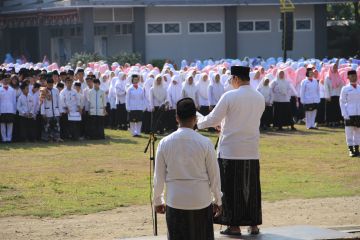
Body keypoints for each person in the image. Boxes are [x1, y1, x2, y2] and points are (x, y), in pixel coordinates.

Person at [197, 66, 265, 236]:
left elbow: (213, 118)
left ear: (235, 78)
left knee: (230, 189)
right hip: (251, 150)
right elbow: (243, 121)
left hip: (231, 150)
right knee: (251, 188)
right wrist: (224, 125)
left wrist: (196, 122)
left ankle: (234, 226)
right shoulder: (259, 97)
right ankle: (253, 224)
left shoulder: (230, 96)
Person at [153, 97, 222, 240]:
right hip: (201, 201)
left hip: (175, 201)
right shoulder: (205, 143)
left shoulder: (164, 143)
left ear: (177, 118)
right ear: (196, 119)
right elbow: (214, 175)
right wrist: (218, 200)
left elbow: (158, 177)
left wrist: (158, 200)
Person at [339, 70, 360, 157]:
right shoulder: (345, 89)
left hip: (358, 112)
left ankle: (357, 149)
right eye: (351, 76)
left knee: (358, 132)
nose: (353, 77)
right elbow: (342, 102)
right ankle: (351, 150)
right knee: (349, 132)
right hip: (349, 112)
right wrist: (345, 114)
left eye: (355, 75)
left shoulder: (359, 87)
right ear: (348, 77)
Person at [40, 78, 62, 142]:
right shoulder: (43, 91)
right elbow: (42, 102)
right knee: (47, 126)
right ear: (47, 84)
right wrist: (43, 112)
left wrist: (60, 111)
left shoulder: (56, 90)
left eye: (51, 84)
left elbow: (59, 101)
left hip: (55, 111)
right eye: (49, 84)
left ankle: (57, 137)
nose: (50, 86)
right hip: (47, 111)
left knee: (56, 126)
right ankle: (47, 138)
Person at [0, 74, 17, 142]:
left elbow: (14, 101)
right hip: (2, 109)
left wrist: (14, 110)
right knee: (2, 124)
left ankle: (9, 139)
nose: (6, 81)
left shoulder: (12, 90)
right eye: (4, 80)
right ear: (2, 80)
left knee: (10, 124)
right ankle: (4, 139)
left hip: (10, 109)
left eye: (7, 80)